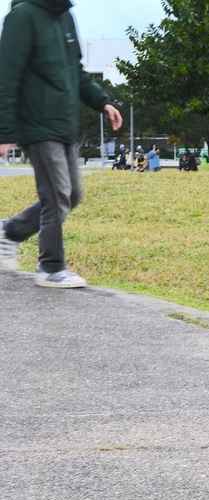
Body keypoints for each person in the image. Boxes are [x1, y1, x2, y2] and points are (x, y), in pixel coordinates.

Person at [0, 0, 123, 287]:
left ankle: (10, 231)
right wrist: (4, 132)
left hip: (65, 123)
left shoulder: (65, 17)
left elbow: (76, 72)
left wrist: (102, 102)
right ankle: (50, 267)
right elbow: (5, 78)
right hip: (36, 124)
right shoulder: (22, 17)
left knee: (73, 194)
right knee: (56, 195)